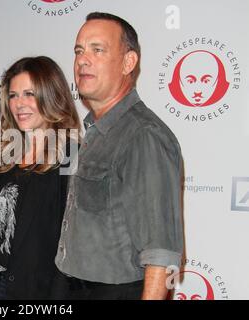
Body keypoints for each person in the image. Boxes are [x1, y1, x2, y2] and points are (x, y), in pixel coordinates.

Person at [54, 12, 184, 300]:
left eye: (97, 50)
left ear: (129, 62)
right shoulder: (96, 130)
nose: (82, 60)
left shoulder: (143, 135)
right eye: (79, 51)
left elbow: (161, 254)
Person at [0, 56, 81, 299]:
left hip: (43, 293)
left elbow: (72, 241)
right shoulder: (4, 155)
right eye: (13, 95)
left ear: (51, 95)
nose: (19, 104)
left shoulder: (71, 154)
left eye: (29, 93)